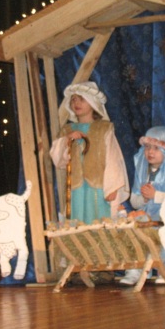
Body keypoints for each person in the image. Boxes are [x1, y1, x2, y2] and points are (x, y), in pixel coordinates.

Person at [50, 81, 129, 225]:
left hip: (98, 187)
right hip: (76, 188)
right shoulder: (67, 130)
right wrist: (67, 139)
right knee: (77, 220)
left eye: (81, 99)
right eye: (73, 99)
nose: (76, 103)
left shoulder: (104, 128)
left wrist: (112, 187)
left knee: (98, 220)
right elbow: (58, 160)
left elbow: (113, 158)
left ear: (92, 102)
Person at [121, 126, 165, 286]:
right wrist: (144, 199)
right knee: (134, 227)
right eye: (147, 147)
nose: (150, 152)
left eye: (156, 148)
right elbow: (134, 201)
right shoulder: (142, 170)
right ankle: (136, 268)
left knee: (162, 228)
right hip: (147, 214)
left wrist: (156, 195)